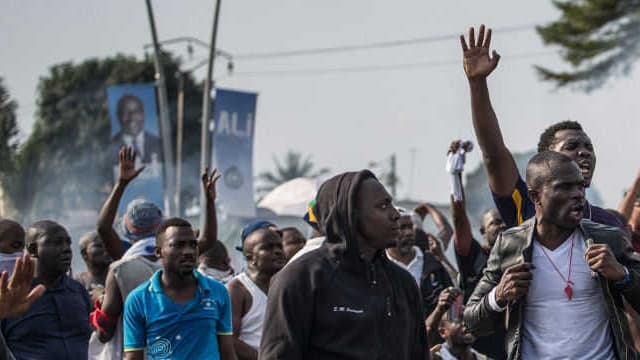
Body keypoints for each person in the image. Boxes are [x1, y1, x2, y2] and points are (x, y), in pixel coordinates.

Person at [464, 151, 640, 359]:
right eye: (564, 187)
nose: (578, 194)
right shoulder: (510, 245)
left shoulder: (608, 239)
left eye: (581, 186)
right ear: (535, 196)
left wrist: (623, 276)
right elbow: (472, 322)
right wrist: (499, 296)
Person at [459, 24, 622, 229]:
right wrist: (477, 84)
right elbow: (493, 154)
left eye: (589, 147)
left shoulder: (608, 224)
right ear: (546, 159)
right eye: (571, 147)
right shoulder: (527, 207)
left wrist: (613, 263)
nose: (584, 153)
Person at [260, 170, 429, 360]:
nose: (395, 214)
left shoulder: (403, 282)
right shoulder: (301, 278)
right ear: (349, 215)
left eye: (391, 204)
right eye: (382, 206)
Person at [92, 147, 220, 359]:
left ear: (126, 231)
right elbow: (208, 239)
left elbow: (103, 228)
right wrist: (209, 201)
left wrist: (121, 184)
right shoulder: (182, 257)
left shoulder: (123, 266)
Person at [123, 218, 237, 360]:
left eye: (193, 245)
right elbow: (133, 357)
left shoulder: (218, 292)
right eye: (178, 245)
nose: (188, 251)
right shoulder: (139, 299)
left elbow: (227, 352)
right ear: (159, 252)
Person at [448, 140, 506, 360]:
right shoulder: (474, 256)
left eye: (504, 222)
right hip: (479, 348)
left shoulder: (520, 254)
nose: (500, 226)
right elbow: (459, 220)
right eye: (494, 223)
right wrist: (455, 177)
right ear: (483, 231)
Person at [2, 221, 92, 360]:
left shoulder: (78, 291)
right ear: (33, 249)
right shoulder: (12, 296)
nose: (67, 249)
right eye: (57, 243)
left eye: (68, 243)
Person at [226, 222, 286, 360]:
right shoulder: (237, 289)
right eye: (268, 247)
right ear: (250, 257)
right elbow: (228, 339)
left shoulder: (287, 285)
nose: (277, 251)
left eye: (279, 246)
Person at [386, 207, 454, 317]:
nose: (408, 232)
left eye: (410, 226)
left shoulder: (432, 263)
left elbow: (454, 296)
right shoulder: (379, 266)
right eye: (402, 227)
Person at [428, 289, 489, 360]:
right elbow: (421, 339)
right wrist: (439, 310)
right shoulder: (435, 357)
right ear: (443, 332)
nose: (465, 323)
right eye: (458, 319)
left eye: (467, 318)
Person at [110, 95, 162, 165]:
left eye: (136, 111)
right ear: (118, 116)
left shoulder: (159, 143)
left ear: (143, 114)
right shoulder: (111, 146)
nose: (132, 117)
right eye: (125, 112)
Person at [75, 231, 112, 303]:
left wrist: (103, 297)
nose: (106, 249)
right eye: (98, 246)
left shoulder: (120, 277)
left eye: (107, 244)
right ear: (84, 253)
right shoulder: (77, 283)